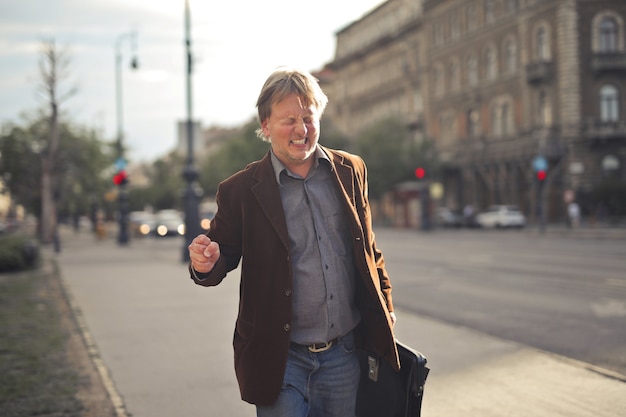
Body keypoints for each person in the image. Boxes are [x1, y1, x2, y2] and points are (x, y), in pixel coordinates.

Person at [187, 67, 399, 417]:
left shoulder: (350, 170)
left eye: (308, 117)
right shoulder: (239, 190)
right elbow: (219, 256)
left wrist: (387, 305)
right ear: (266, 125)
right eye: (288, 120)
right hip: (280, 360)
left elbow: (370, 251)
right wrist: (204, 263)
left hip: (344, 357)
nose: (301, 130)